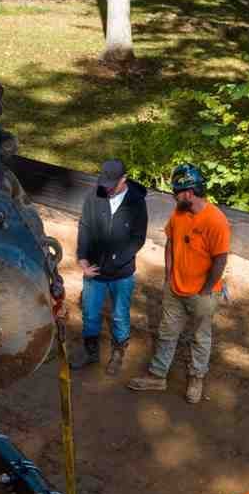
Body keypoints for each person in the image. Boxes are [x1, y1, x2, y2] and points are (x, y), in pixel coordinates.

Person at [128, 163, 230, 404]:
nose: (174, 196)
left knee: (199, 337)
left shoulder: (216, 221)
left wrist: (206, 289)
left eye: (176, 192)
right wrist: (169, 275)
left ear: (189, 193)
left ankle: (196, 378)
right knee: (166, 332)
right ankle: (157, 375)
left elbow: (221, 259)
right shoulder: (178, 214)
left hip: (202, 294)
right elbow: (170, 244)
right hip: (175, 288)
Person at [73, 158, 148, 376]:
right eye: (104, 183)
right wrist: (82, 258)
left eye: (111, 184)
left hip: (121, 273)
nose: (106, 188)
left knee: (119, 314)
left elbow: (138, 239)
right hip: (94, 271)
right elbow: (85, 226)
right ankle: (90, 351)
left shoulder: (136, 202)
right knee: (90, 313)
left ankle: (118, 351)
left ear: (124, 179)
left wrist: (115, 261)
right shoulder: (94, 195)